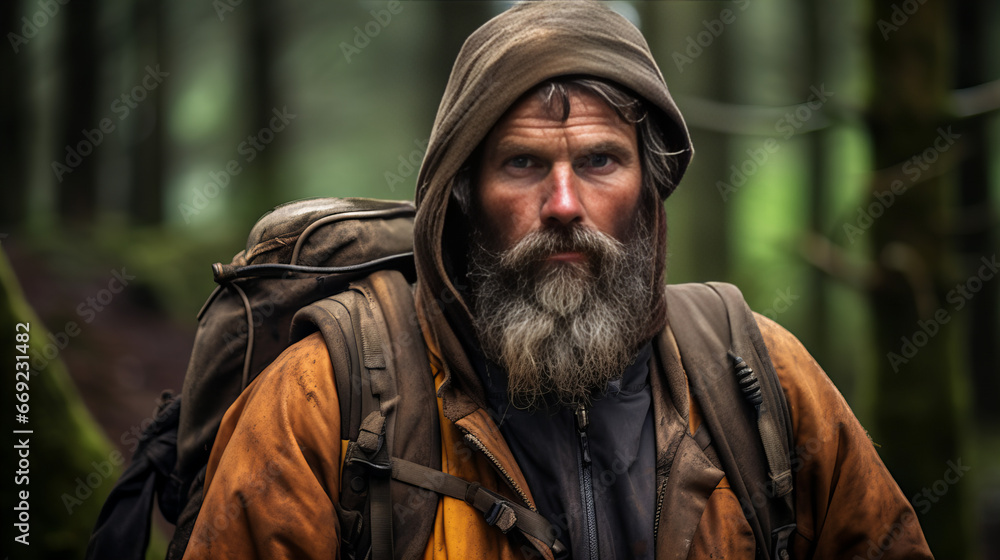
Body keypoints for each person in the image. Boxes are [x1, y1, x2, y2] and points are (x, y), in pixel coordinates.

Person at [182, 1, 933, 558]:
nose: (565, 205)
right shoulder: (327, 397)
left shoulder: (761, 382)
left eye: (600, 161)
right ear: (465, 192)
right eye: (524, 164)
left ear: (647, 186)